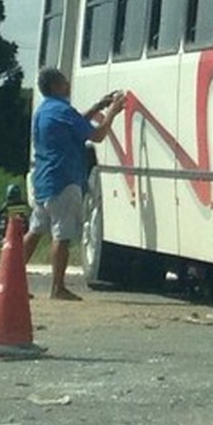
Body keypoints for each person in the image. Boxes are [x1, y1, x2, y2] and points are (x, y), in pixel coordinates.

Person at [22, 68, 125, 300]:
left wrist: (98, 107)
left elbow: (76, 122)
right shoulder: (63, 110)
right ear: (56, 86)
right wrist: (112, 113)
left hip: (43, 179)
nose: (68, 85)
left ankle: (12, 279)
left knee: (35, 230)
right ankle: (57, 287)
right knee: (62, 234)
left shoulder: (45, 110)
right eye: (64, 82)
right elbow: (96, 135)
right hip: (64, 179)